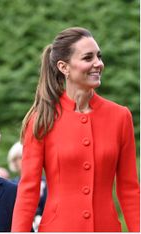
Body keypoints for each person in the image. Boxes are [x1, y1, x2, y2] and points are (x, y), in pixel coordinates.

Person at [11, 27, 140, 232]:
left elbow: (129, 189)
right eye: (88, 58)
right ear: (64, 67)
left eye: (99, 56)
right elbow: (28, 191)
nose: (98, 63)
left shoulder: (120, 117)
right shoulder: (41, 120)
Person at [7, 141, 46, 231]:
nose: (26, 159)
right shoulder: (12, 185)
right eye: (21, 157)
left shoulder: (47, 183)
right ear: (14, 161)